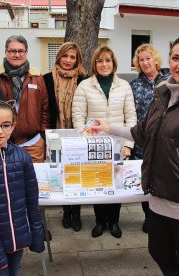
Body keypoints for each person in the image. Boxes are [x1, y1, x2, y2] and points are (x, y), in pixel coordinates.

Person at [90, 34, 179, 276]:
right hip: (160, 197)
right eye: (176, 57)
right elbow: (143, 132)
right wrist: (108, 128)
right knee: (159, 251)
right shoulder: (163, 94)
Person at [0, 99, 45, 276]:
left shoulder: (22, 157)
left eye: (5, 125)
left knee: (14, 270)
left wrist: (36, 233)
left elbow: (31, 198)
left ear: (13, 126)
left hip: (18, 232)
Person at [72, 46, 137, 238]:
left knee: (116, 183)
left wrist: (128, 145)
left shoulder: (124, 85)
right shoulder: (85, 86)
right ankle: (100, 221)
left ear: (114, 63)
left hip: (119, 143)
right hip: (94, 144)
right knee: (98, 182)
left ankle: (114, 222)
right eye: (100, 61)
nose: (104, 64)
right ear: (94, 64)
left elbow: (131, 118)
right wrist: (84, 140)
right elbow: (78, 116)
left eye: (108, 60)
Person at [43, 42, 87, 232]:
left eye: (72, 57)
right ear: (59, 56)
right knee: (60, 173)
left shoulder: (84, 79)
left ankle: (75, 212)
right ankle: (65, 210)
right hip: (55, 134)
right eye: (65, 56)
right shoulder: (45, 79)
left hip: (77, 134)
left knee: (76, 173)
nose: (68, 60)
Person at [130, 43, 171, 233]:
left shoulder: (170, 81)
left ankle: (164, 216)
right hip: (143, 142)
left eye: (148, 58)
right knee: (145, 179)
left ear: (156, 59)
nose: (145, 62)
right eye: (141, 59)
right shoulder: (134, 85)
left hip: (166, 140)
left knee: (164, 177)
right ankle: (149, 216)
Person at [0, 35, 49, 163]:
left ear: (26, 53)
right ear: (6, 52)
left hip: (33, 144)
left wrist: (42, 136)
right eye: (12, 51)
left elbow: (45, 109)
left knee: (35, 182)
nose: (17, 55)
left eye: (20, 51)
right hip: (2, 144)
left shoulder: (37, 77)